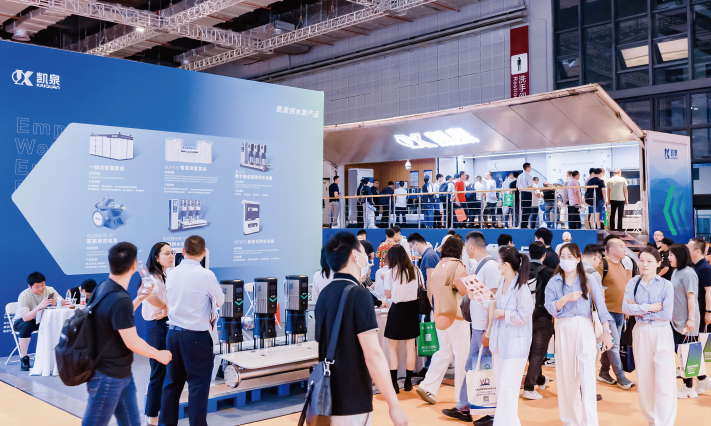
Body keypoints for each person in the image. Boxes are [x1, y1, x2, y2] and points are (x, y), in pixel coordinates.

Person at [316, 231, 408, 426]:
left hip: (324, 402)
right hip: (353, 401)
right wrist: (394, 405)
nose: (367, 258)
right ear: (354, 256)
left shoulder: (324, 294)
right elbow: (373, 354)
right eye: (364, 253)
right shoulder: (359, 294)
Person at [83, 242, 172, 426]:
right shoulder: (119, 298)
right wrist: (159, 354)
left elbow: (119, 316)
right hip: (108, 374)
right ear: (134, 265)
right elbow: (133, 342)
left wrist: (139, 298)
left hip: (120, 372)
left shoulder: (104, 288)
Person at [545, 243, 614, 426]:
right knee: (566, 378)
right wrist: (565, 299)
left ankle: (589, 422)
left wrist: (606, 332)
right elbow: (550, 307)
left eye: (570, 257)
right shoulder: (554, 282)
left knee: (587, 378)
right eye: (563, 257)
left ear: (578, 258)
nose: (566, 260)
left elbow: (602, 308)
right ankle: (571, 421)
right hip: (563, 327)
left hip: (584, 328)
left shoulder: (589, 279)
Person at [160, 236, 224, 426]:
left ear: (183, 251)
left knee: (172, 384)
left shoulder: (171, 273)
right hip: (196, 337)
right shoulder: (206, 275)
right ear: (204, 253)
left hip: (173, 335)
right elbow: (220, 300)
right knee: (198, 386)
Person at [448, 232, 501, 425]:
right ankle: (463, 406)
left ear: (471, 247)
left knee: (487, 369)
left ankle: (492, 413)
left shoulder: (491, 267)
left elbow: (493, 300)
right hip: (477, 326)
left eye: (465, 246)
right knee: (470, 367)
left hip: (484, 328)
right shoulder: (479, 266)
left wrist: (488, 329)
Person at [622, 246, 676, 426]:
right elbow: (625, 307)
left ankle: (665, 421)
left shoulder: (666, 285)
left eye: (649, 261)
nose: (644, 264)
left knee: (664, 378)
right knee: (645, 377)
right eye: (642, 260)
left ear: (658, 263)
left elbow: (666, 314)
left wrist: (638, 308)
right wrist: (650, 308)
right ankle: (651, 419)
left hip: (661, 331)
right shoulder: (633, 282)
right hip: (640, 331)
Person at [415, 237, 470, 411]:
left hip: (439, 314)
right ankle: (461, 396)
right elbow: (463, 289)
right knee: (462, 355)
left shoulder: (439, 266)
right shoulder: (458, 266)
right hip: (456, 315)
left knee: (443, 352)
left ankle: (427, 386)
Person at [488, 246, 533, 426]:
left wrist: (504, 314)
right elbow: (497, 305)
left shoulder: (522, 288)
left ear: (505, 264)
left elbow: (525, 316)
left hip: (516, 345)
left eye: (498, 261)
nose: (496, 264)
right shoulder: (502, 283)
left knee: (508, 388)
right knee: (502, 388)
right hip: (500, 342)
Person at [133, 242, 172, 426]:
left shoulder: (163, 275)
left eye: (172, 253)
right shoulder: (150, 276)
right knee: (157, 373)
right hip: (156, 327)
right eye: (167, 253)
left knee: (164, 372)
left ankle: (158, 412)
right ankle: (151, 416)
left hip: (164, 325)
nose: (171, 256)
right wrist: (165, 307)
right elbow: (148, 295)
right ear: (156, 257)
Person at [596, 237, 635, 389]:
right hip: (607, 313)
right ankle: (620, 376)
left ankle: (604, 372)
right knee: (614, 345)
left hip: (620, 312)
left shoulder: (622, 265)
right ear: (611, 249)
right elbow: (595, 288)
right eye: (621, 246)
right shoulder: (602, 264)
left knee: (610, 344)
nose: (625, 249)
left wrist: (626, 309)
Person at [383, 245, 423, 393]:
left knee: (392, 347)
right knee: (410, 347)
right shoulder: (416, 270)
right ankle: (408, 382)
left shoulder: (390, 273)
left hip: (397, 310)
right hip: (412, 310)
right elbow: (421, 289)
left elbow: (387, 295)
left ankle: (394, 384)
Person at [666, 243, 702, 399]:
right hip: (676, 320)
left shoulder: (688, 273)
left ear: (679, 256)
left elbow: (691, 297)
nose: (668, 258)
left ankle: (689, 387)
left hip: (687, 321)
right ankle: (702, 380)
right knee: (682, 352)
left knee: (687, 353)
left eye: (671, 255)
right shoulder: (676, 271)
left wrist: (691, 319)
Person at [522, 241, 555, 400]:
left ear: (529, 253)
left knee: (530, 352)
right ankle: (529, 387)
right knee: (537, 352)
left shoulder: (521, 271)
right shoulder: (549, 273)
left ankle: (540, 379)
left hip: (523, 317)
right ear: (544, 255)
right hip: (543, 317)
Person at [13, 272, 61, 371]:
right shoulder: (24, 295)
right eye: (37, 287)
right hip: (21, 321)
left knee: (54, 323)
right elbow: (26, 317)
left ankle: (51, 355)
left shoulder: (50, 290)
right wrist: (40, 306)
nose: (41, 289)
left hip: (40, 320)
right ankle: (24, 358)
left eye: (43, 285)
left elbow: (63, 302)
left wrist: (56, 302)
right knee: (27, 326)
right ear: (29, 286)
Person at [688, 238, 711, 394]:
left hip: (702, 313)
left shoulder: (704, 268)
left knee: (696, 346)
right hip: (695, 312)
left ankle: (701, 379)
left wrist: (709, 312)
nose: (687, 250)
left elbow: (709, 291)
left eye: (689, 247)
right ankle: (702, 378)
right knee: (694, 346)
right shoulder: (694, 266)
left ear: (697, 250)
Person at [517, 162, 535, 229]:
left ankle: (523, 224)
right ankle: (524, 225)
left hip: (521, 193)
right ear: (527, 167)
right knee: (527, 210)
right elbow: (530, 186)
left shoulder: (519, 176)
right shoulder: (529, 176)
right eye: (530, 167)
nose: (530, 168)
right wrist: (534, 189)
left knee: (523, 210)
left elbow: (517, 186)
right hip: (527, 194)